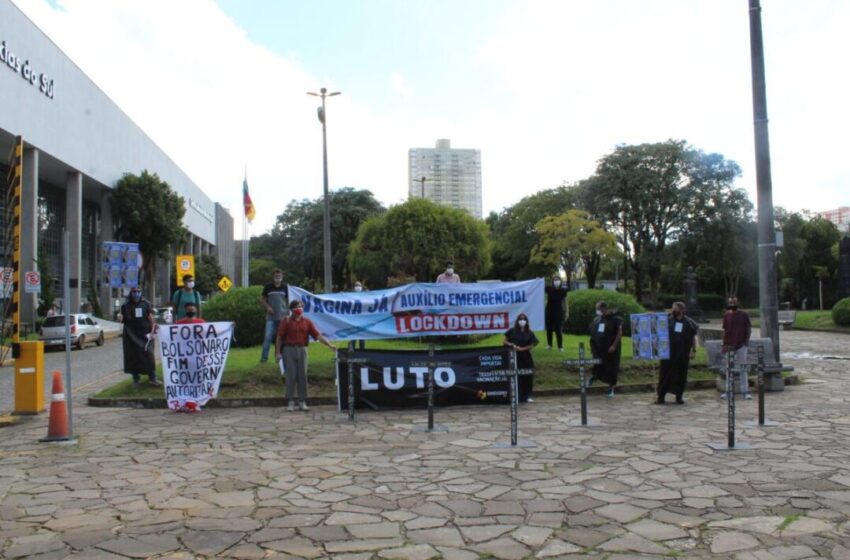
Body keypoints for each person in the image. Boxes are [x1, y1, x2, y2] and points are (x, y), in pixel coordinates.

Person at [275, 299, 337, 412]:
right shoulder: (287, 321)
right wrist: (278, 352)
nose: (299, 308)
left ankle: (302, 401)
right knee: (291, 376)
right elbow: (279, 337)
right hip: (289, 350)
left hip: (302, 349)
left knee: (302, 375)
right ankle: (290, 401)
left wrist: (329, 345)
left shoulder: (307, 322)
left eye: (301, 306)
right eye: (296, 306)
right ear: (292, 309)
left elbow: (317, 335)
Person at [656, 301, 699, 404]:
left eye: (675, 309)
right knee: (665, 374)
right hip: (668, 353)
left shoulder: (689, 322)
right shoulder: (667, 320)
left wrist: (693, 350)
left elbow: (694, 337)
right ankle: (661, 396)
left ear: (682, 310)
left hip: (683, 354)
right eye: (672, 309)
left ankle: (679, 396)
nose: (673, 311)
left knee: (681, 375)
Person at [119, 287, 161, 388]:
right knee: (133, 356)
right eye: (134, 292)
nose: (136, 294)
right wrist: (120, 318)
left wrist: (152, 330)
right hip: (131, 335)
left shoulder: (146, 303)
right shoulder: (125, 306)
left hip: (145, 334)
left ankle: (152, 378)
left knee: (149, 355)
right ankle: (136, 380)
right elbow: (122, 319)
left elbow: (150, 318)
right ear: (131, 293)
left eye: (138, 291)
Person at [588, 301, 623, 397]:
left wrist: (614, 346)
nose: (597, 311)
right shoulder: (598, 319)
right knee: (598, 364)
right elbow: (593, 332)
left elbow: (619, 333)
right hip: (599, 348)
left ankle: (611, 388)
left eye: (598, 308)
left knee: (611, 367)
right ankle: (594, 378)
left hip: (611, 348)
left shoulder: (615, 318)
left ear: (604, 308)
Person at [721, 296, 752, 400]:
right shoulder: (726, 315)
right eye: (730, 302)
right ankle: (728, 391)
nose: (732, 304)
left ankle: (745, 391)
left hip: (741, 345)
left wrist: (746, 343)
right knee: (728, 369)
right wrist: (725, 344)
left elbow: (748, 328)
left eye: (734, 302)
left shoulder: (744, 314)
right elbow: (725, 331)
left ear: (738, 302)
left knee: (743, 368)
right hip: (729, 345)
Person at [503, 312, 539, 402]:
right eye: (520, 319)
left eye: (524, 319)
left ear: (526, 321)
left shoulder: (529, 332)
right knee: (516, 376)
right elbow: (504, 341)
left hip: (526, 357)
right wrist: (512, 345)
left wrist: (522, 349)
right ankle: (517, 395)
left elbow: (533, 344)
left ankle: (527, 396)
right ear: (517, 321)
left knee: (528, 375)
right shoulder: (512, 331)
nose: (522, 321)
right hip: (514, 356)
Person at [260, 269, 289, 363]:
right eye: (276, 276)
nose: (278, 277)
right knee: (267, 337)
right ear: (273, 276)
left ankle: (279, 358)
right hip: (270, 317)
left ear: (282, 277)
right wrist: (268, 307)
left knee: (280, 338)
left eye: (279, 276)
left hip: (282, 317)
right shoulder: (268, 287)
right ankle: (264, 359)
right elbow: (263, 300)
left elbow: (289, 300)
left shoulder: (285, 287)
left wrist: (288, 312)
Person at [544, 275, 569, 351]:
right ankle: (549, 345)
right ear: (552, 282)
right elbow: (540, 286)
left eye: (558, 280)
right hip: (549, 311)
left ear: (560, 281)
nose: (556, 282)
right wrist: (538, 280)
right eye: (555, 280)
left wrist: (567, 312)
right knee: (549, 329)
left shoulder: (563, 291)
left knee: (558, 329)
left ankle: (560, 346)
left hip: (558, 311)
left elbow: (565, 302)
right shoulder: (549, 289)